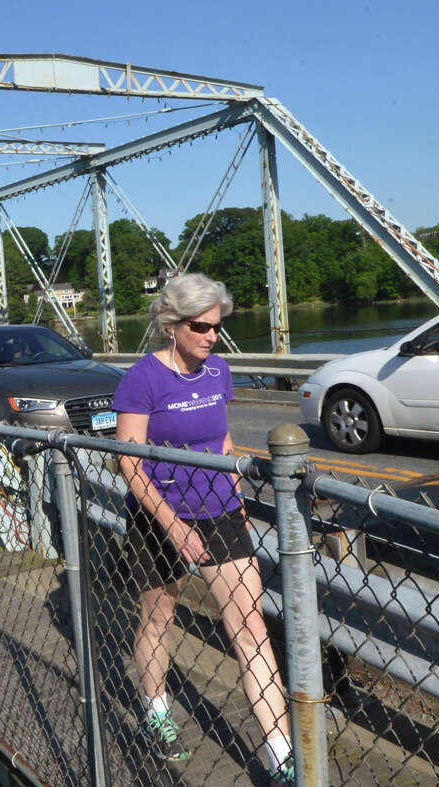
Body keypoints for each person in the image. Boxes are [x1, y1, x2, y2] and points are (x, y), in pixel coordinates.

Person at [112, 273, 293, 782]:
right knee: (158, 619)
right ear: (171, 324)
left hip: (219, 513)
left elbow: (223, 438)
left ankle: (281, 755)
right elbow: (129, 463)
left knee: (252, 629)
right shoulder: (143, 379)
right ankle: (157, 711)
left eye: (217, 326)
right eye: (201, 326)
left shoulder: (218, 372)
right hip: (157, 517)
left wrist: (234, 499)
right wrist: (171, 525)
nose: (212, 336)